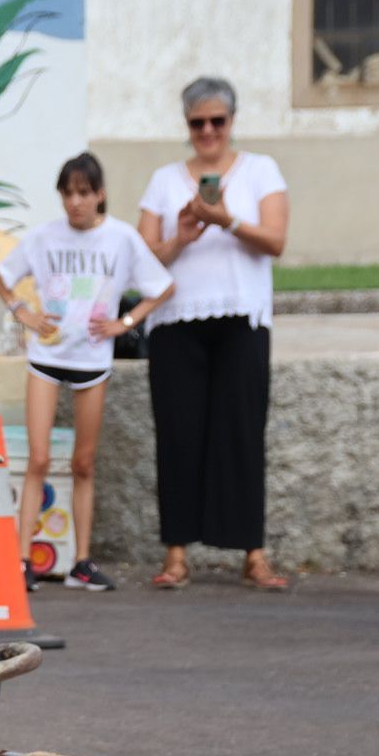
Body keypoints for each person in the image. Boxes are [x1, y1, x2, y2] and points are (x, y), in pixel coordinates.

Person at [0, 151, 174, 592]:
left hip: (92, 360)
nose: (75, 202)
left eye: (84, 193)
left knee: (84, 462)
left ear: (100, 195)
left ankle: (81, 562)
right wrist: (24, 313)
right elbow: (1, 275)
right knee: (37, 459)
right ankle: (21, 560)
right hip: (46, 358)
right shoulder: (43, 237)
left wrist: (125, 324)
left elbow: (162, 286)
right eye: (68, 193)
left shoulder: (121, 238)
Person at [135, 77, 290, 591]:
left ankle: (253, 553)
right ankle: (176, 554)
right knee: (178, 436)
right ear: (186, 126)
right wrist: (181, 236)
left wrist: (226, 220)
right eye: (197, 123)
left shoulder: (261, 170)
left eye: (216, 122)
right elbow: (142, 259)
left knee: (242, 434)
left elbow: (275, 239)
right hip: (176, 323)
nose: (207, 131)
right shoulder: (163, 180)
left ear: (231, 122)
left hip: (241, 319)